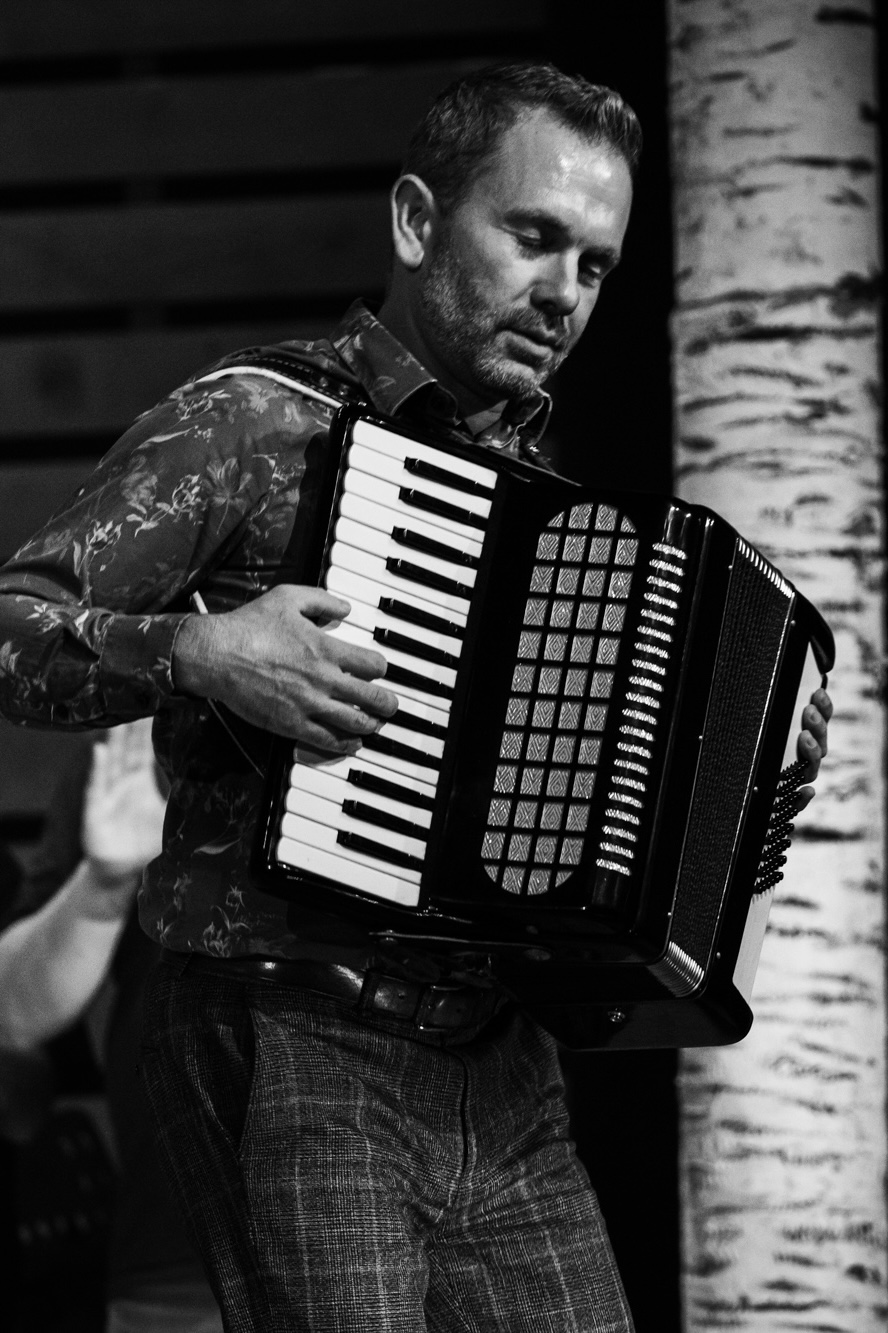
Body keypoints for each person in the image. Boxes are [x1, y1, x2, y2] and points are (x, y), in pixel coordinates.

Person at [0, 61, 831, 1332]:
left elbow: (593, 805)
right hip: (297, 1040)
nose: (562, 294)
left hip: (503, 1071)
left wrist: (751, 756)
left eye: (596, 265)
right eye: (534, 236)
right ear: (415, 222)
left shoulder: (550, 497)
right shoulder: (250, 422)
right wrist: (198, 654)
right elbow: (14, 623)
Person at [0, 721, 223, 1333]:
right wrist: (105, 882)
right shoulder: (134, 743)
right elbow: (12, 1017)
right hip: (178, 1263)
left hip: (430, 1228)